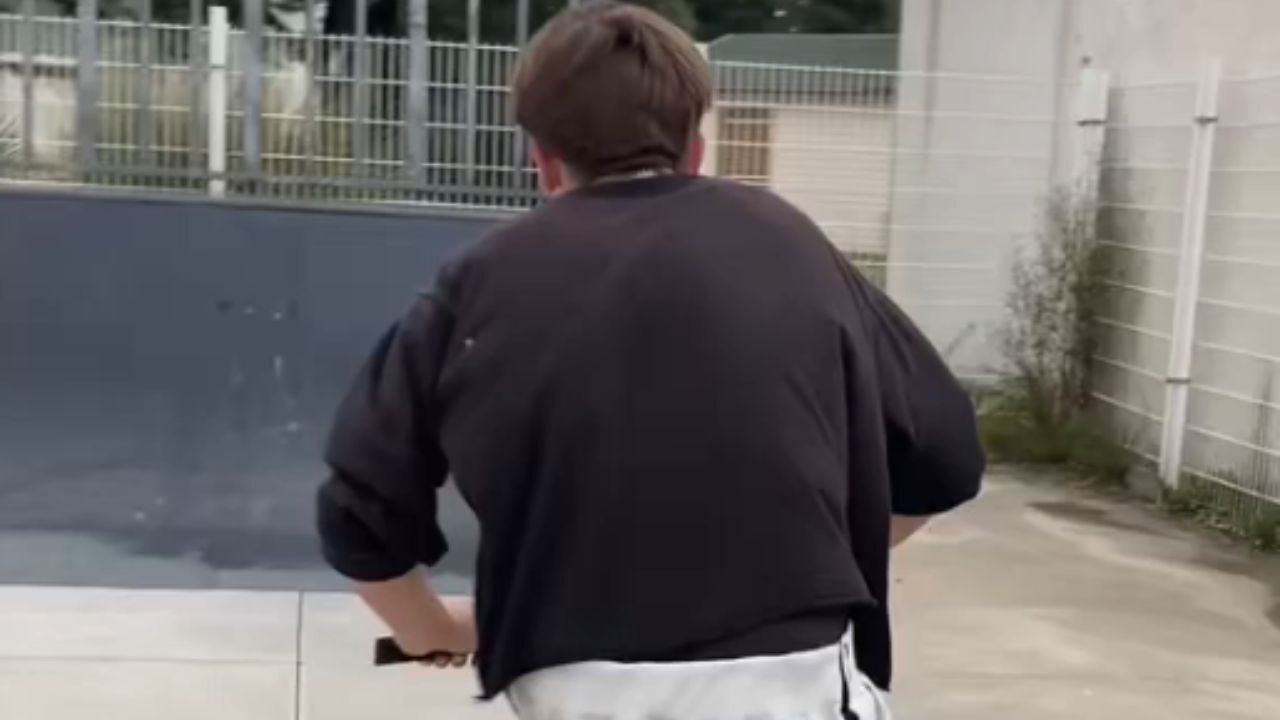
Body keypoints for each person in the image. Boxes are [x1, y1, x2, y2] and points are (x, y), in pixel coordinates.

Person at [316, 2, 985, 718]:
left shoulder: (474, 283)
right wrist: (826, 560)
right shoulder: (787, 243)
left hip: (573, 684)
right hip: (788, 680)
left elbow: (361, 509)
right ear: (695, 151)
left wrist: (436, 630)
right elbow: (944, 453)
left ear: (541, 163)